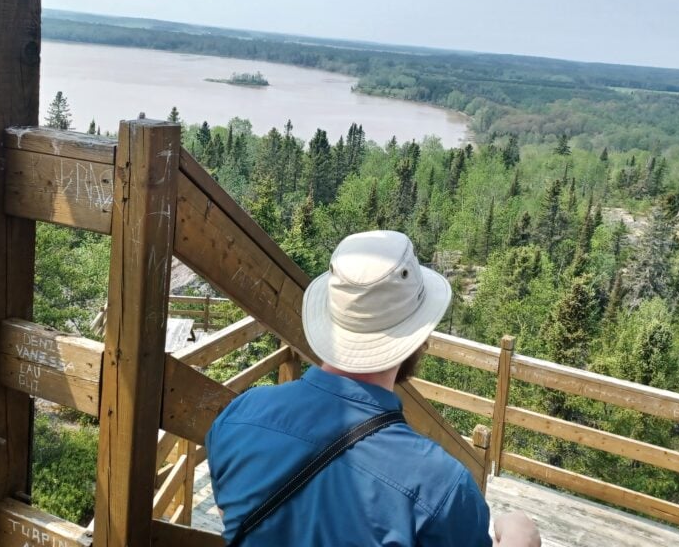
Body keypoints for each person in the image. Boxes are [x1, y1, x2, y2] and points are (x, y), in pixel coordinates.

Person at [208, 230, 541, 546]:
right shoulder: (444, 489)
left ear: (329, 317)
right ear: (418, 338)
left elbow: (230, 516)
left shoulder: (237, 417)